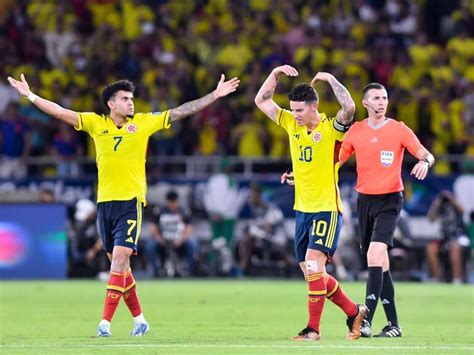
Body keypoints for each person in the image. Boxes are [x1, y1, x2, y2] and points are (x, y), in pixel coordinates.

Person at [7, 73, 239, 337]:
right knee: (122, 270)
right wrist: (30, 95)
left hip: (130, 201)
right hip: (105, 203)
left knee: (118, 261)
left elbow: (180, 112)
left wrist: (214, 95)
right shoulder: (95, 124)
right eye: (125, 99)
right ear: (111, 104)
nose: (131, 103)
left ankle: (104, 323)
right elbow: (60, 112)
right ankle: (140, 320)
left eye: (131, 98)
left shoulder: (143, 122)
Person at [255, 64, 367, 341]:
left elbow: (349, 108)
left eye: (300, 110)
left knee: (314, 264)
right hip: (302, 210)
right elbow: (262, 101)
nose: (295, 115)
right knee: (312, 274)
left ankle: (313, 329)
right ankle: (354, 312)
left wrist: (330, 77)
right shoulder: (291, 124)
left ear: (314, 105)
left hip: (326, 209)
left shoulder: (332, 129)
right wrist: (275, 74)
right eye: (292, 110)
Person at [339, 82, 435, 338]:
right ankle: (394, 325)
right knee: (380, 263)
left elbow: (426, 154)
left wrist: (425, 162)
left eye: (384, 98)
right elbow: (335, 161)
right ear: (365, 103)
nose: (381, 102)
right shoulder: (357, 131)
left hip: (391, 200)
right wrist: (303, 176)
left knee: (374, 254)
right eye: (376, 98)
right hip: (365, 202)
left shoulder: (399, 130)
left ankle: (365, 319)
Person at [149, 190, 197, 277]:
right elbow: (153, 227)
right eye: (170, 202)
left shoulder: (184, 210)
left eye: (173, 202)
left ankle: (190, 271)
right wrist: (160, 239)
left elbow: (189, 228)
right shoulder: (159, 210)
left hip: (179, 239)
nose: (172, 204)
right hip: (163, 239)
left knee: (192, 244)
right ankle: (156, 271)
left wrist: (181, 239)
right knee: (150, 246)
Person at [425, 190, 470, 284]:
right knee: (431, 248)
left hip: (458, 236)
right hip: (443, 237)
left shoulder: (456, 207)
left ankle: (456, 279)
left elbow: (462, 210)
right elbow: (431, 219)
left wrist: (451, 199)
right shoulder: (440, 207)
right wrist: (437, 203)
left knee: (455, 248)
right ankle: (437, 277)